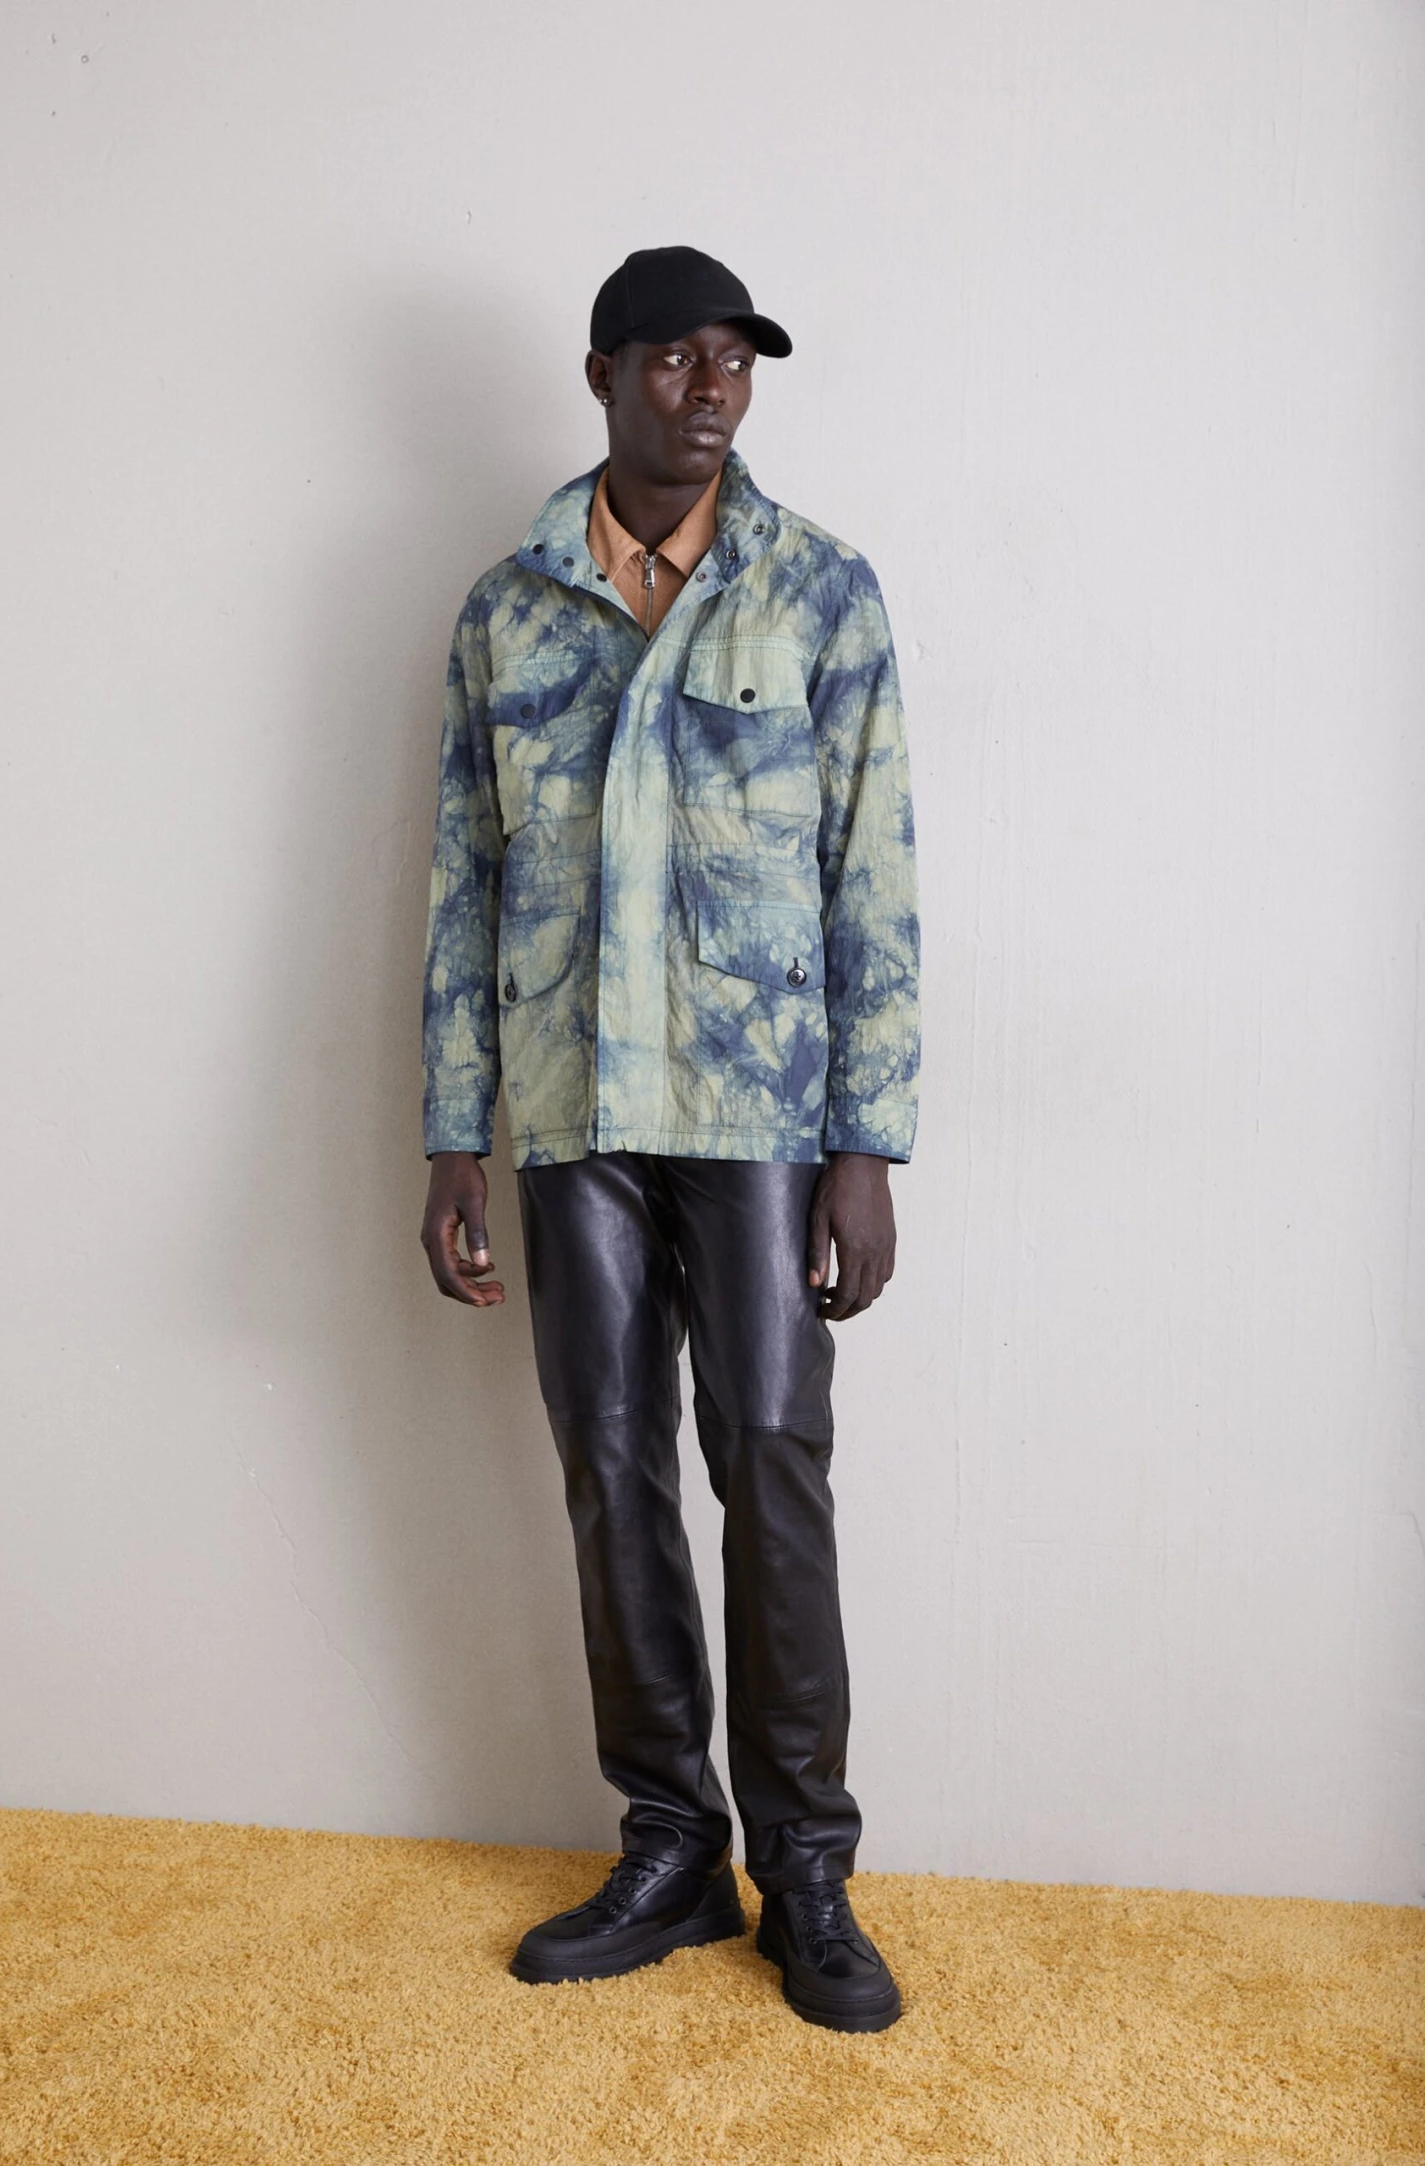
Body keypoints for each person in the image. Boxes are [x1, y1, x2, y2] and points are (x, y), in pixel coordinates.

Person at [419, 246, 920, 2033]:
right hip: (572, 1114)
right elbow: (464, 883)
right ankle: (670, 1846)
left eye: (737, 363)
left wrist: (867, 1141)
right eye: (678, 360)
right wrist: (453, 1133)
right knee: (610, 1464)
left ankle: (809, 1870)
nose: (713, 390)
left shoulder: (818, 590)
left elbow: (873, 875)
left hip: (760, 1112)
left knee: (771, 1455)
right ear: (605, 375)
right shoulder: (510, 610)